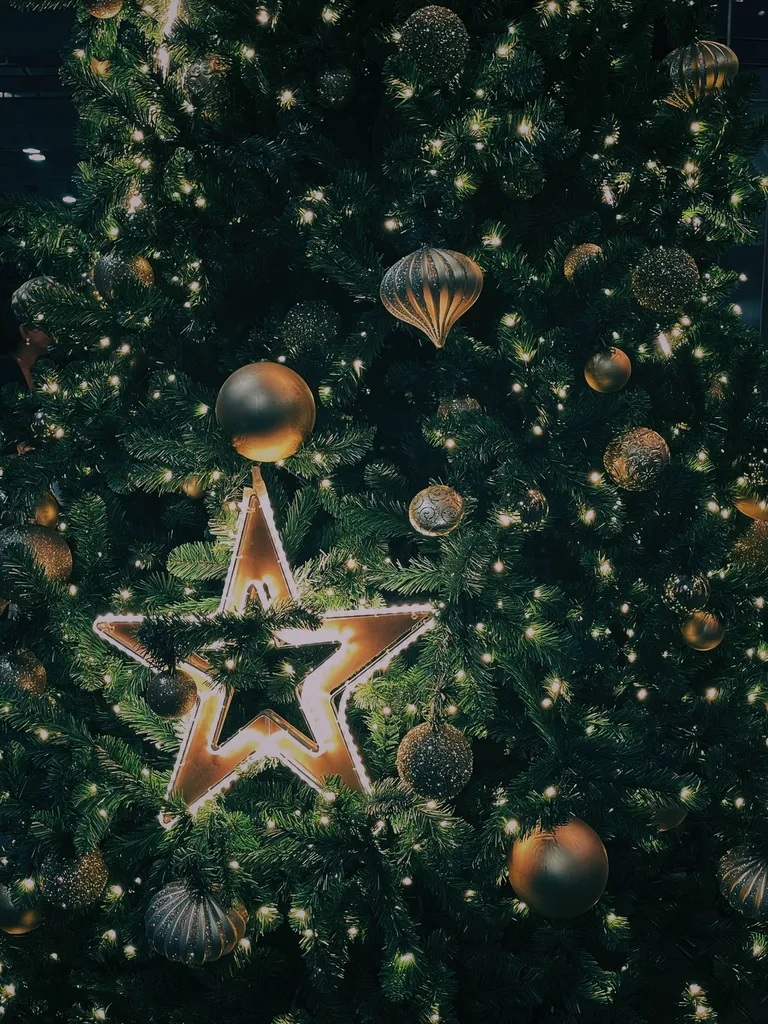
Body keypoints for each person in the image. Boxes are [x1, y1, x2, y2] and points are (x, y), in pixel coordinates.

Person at [0, 276, 56, 392]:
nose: (52, 328)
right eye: (42, 322)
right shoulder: (5, 371)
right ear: (24, 332)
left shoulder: (47, 370)